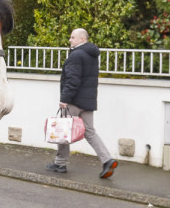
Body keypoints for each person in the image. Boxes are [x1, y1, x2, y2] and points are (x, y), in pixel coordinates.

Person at [46, 28, 117, 178]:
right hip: (88, 101)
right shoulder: (91, 55)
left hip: (74, 101)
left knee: (63, 131)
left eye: (72, 37)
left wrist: (64, 99)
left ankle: (60, 163)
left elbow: (73, 80)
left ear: (82, 39)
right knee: (90, 132)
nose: (70, 40)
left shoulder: (76, 55)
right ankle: (107, 160)